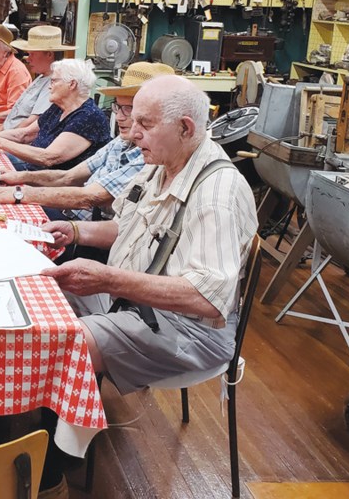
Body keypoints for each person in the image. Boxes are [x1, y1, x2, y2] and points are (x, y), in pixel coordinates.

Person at [35, 74, 257, 498]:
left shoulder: (217, 192)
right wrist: (76, 234)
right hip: (136, 302)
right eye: (131, 118)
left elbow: (207, 300)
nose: (132, 132)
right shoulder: (163, 165)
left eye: (145, 123)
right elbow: (130, 228)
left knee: (65, 341)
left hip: (190, 331)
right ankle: (32, 432)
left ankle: (51, 474)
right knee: (44, 297)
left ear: (186, 128)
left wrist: (108, 278)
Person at [0, 62, 174, 223]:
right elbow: (67, 177)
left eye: (129, 109)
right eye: (117, 107)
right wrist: (17, 178)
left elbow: (87, 196)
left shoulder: (150, 154)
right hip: (73, 213)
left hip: (86, 223)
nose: (120, 117)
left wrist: (13, 193)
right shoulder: (121, 142)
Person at [0, 58, 110, 171]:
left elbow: (48, 157)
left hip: (53, 182)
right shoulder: (58, 107)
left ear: (72, 84)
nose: (49, 86)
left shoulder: (89, 116)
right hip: (31, 168)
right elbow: (25, 134)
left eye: (54, 81)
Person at [1, 25, 73, 132]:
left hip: (17, 140)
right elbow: (13, 114)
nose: (28, 59)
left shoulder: (54, 83)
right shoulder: (41, 76)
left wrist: (1, 138)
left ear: (49, 54)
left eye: (32, 54)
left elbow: (32, 122)